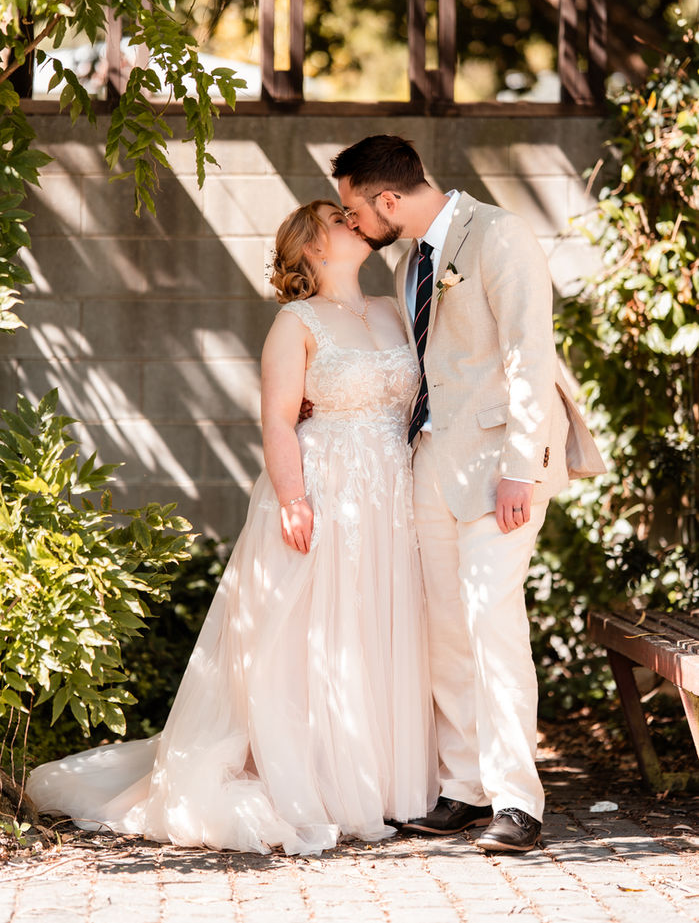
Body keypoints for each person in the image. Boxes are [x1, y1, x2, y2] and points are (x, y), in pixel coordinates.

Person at [27, 200, 438, 855]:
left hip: (393, 492)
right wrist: (293, 498)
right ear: (311, 246)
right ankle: (316, 779)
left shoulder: (393, 307)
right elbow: (277, 420)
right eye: (337, 218)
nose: (353, 222)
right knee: (310, 636)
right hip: (325, 486)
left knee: (379, 624)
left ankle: (378, 778)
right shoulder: (294, 323)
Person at [331, 136, 606, 853]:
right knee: (447, 632)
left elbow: (527, 354)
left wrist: (521, 464)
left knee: (493, 627)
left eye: (352, 208)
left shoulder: (499, 236)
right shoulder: (407, 263)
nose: (350, 222)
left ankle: (519, 801)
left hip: (498, 473)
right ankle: (463, 787)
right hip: (431, 465)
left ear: (387, 199)